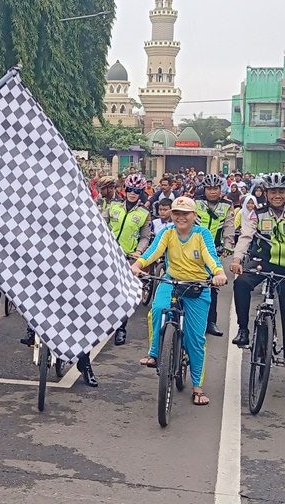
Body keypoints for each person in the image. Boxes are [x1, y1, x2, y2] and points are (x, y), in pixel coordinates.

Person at [133, 197, 227, 405]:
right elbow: (153, 251)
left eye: (185, 213)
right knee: (157, 309)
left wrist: (218, 273)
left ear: (194, 216)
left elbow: (210, 257)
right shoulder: (167, 233)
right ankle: (155, 353)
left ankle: (197, 387)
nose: (180, 217)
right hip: (171, 281)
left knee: (195, 340)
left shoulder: (202, 234)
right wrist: (139, 264)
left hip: (198, 286)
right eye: (177, 213)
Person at [230, 172, 285, 397]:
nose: (277, 196)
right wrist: (237, 259)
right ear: (265, 193)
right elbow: (246, 237)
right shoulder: (256, 214)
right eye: (273, 192)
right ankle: (244, 330)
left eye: (281, 192)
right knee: (240, 284)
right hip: (262, 264)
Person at [104, 173, 152, 347]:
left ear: (141, 193)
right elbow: (101, 225)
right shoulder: (113, 206)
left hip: (128, 257)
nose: (132, 193)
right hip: (108, 254)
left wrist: (139, 251)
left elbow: (145, 237)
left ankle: (121, 329)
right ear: (125, 190)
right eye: (130, 189)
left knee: (123, 296)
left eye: (136, 191)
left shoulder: (144, 213)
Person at [195, 173, 236, 338]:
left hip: (214, 250)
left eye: (215, 189)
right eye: (209, 188)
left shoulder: (227, 205)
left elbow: (229, 226)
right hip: (194, 247)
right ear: (204, 189)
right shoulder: (196, 202)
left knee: (212, 286)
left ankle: (211, 321)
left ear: (221, 189)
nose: (212, 192)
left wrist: (227, 246)